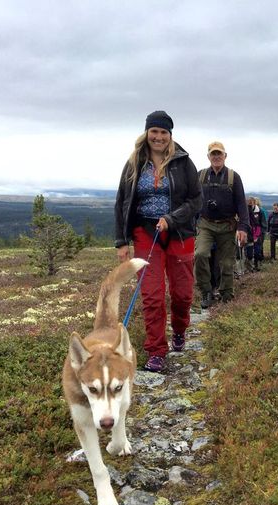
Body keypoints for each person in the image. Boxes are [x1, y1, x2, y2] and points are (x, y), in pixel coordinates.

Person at [114, 110, 202, 373]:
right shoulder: (134, 164)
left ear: (170, 136)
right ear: (147, 133)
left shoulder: (184, 163)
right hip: (145, 232)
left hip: (179, 233)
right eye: (154, 131)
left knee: (182, 294)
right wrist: (121, 240)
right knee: (152, 295)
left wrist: (172, 219)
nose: (159, 137)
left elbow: (195, 200)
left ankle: (180, 329)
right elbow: (121, 202)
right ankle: (156, 350)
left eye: (164, 132)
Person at [195, 141, 249, 307]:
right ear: (208, 156)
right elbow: (193, 200)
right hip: (205, 224)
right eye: (213, 154)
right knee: (200, 254)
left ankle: (227, 294)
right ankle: (206, 291)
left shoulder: (234, 177)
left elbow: (241, 204)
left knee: (226, 262)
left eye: (219, 153)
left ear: (225, 156)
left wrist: (243, 228)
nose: (216, 157)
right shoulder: (200, 175)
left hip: (227, 225)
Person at [249, 197, 266, 270]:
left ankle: (257, 264)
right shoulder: (246, 211)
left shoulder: (260, 211)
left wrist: (259, 235)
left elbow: (263, 224)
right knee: (249, 251)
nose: (250, 205)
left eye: (251, 204)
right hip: (249, 233)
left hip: (259, 233)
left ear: (254, 203)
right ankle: (250, 266)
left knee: (257, 250)